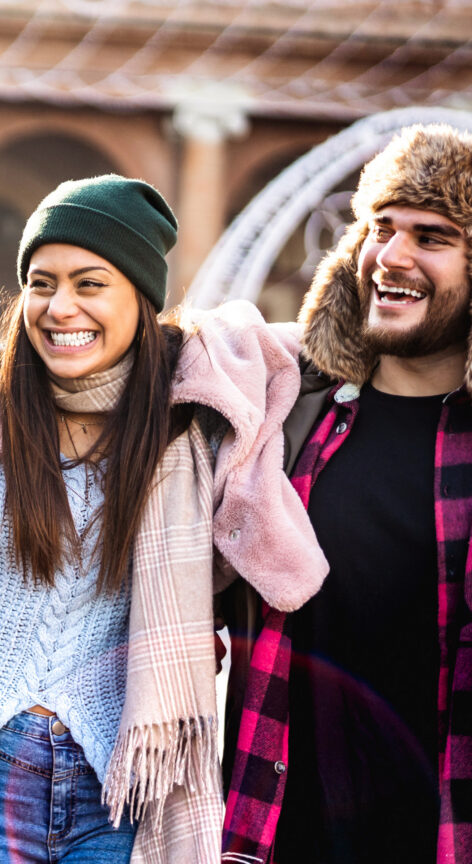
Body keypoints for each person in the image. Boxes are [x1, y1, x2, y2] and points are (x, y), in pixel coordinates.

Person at [0, 175, 328, 863]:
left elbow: (324, 343)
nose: (60, 308)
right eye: (42, 284)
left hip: (119, 783)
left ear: (140, 299)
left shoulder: (185, 416)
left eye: (90, 283)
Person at [223, 124, 472, 863]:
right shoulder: (292, 404)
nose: (392, 257)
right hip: (275, 830)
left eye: (432, 236)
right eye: (380, 228)